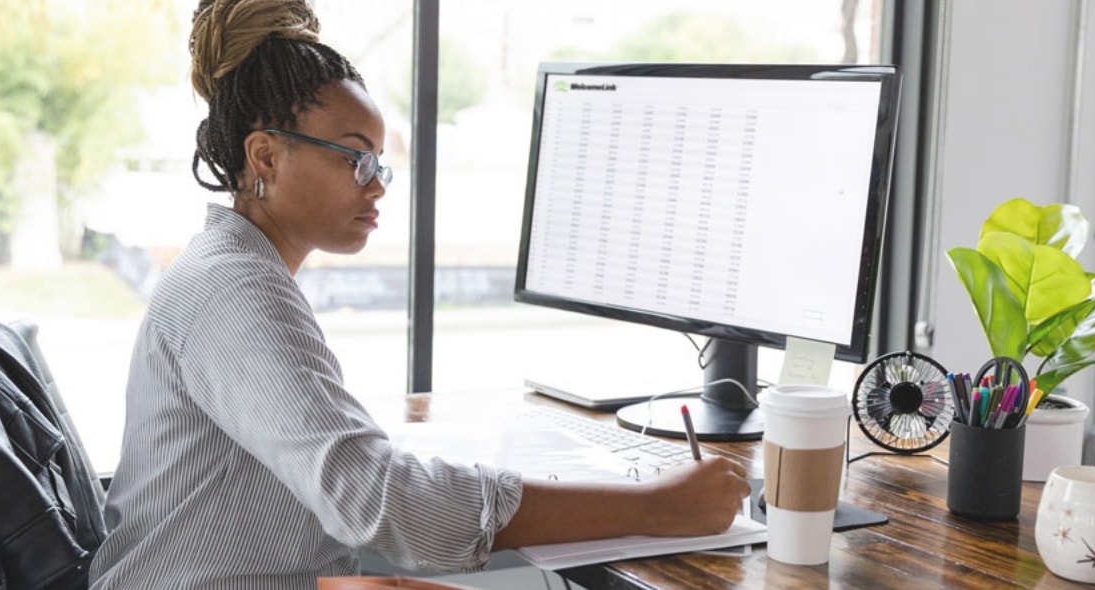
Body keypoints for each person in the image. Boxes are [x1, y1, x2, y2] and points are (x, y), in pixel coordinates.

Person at [87, 1, 750, 588]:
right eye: (355, 157)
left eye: (380, 160)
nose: (376, 184)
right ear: (265, 158)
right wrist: (657, 505)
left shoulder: (237, 268)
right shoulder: (234, 288)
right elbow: (380, 502)